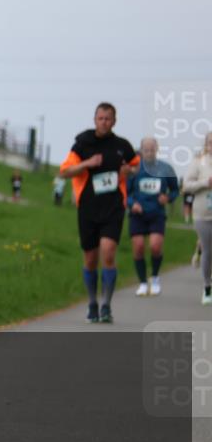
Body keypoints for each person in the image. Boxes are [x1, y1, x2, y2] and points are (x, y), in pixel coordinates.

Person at [58, 102, 139, 323]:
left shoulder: (122, 145)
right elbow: (64, 171)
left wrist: (128, 171)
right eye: (100, 118)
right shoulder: (83, 142)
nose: (104, 122)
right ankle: (92, 302)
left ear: (114, 121)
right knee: (91, 259)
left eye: (108, 118)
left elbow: (136, 165)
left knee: (108, 252)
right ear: (95, 119)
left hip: (113, 206)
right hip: (88, 207)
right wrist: (87, 163)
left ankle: (106, 305)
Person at [126, 137, 179, 297]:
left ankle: (155, 277)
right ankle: (142, 282)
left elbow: (175, 190)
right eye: (146, 149)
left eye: (152, 149)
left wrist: (168, 198)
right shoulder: (134, 169)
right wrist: (131, 204)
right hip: (138, 214)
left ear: (157, 149)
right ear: (141, 150)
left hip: (157, 213)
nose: (149, 152)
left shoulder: (166, 169)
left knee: (155, 246)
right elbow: (125, 192)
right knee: (139, 247)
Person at [182, 132, 212, 305]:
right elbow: (187, 186)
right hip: (203, 214)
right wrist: (205, 183)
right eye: (211, 142)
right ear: (206, 144)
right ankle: (207, 287)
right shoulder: (198, 162)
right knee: (208, 251)